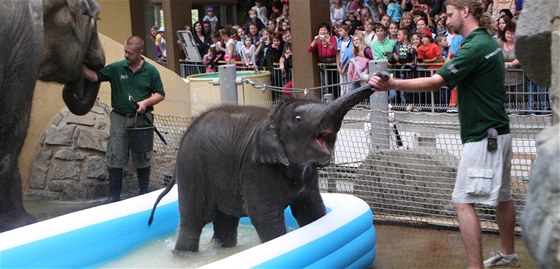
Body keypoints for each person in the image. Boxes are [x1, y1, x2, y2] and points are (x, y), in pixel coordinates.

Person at [369, 0, 519, 268]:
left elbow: (437, 80)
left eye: (449, 15)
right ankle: (508, 253)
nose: (445, 20)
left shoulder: (474, 47)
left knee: (462, 201)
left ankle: (475, 267)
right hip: (500, 132)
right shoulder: (490, 44)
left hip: (484, 137)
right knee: (504, 196)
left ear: (465, 11)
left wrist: (392, 84)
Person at [82, 36, 165, 203]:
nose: (126, 55)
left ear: (140, 52)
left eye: (130, 53)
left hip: (142, 119)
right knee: (116, 155)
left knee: (142, 155)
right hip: (120, 117)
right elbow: (94, 77)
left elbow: (160, 94)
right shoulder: (117, 68)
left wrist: (145, 103)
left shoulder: (151, 71)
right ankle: (114, 198)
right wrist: (78, 66)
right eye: (125, 52)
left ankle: (144, 195)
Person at [336, 24, 353, 96]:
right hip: (341, 64)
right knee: (342, 85)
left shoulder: (351, 40)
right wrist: (338, 67)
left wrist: (344, 67)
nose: (339, 32)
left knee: (349, 84)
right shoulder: (339, 41)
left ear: (346, 31)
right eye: (339, 31)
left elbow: (349, 55)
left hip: (348, 65)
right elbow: (338, 54)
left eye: (341, 30)